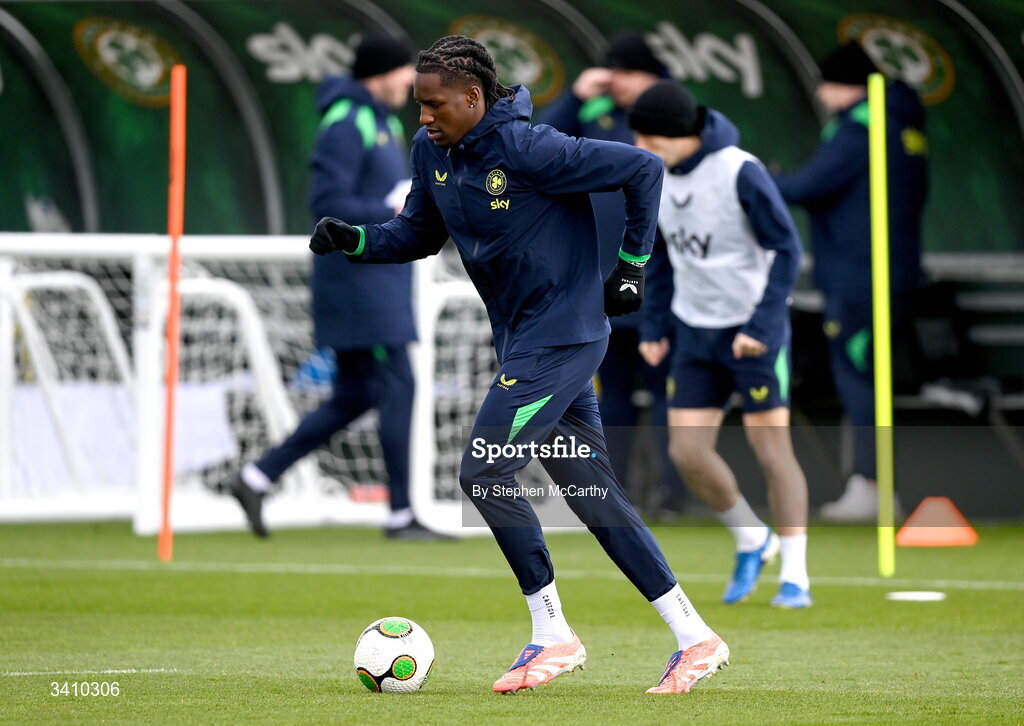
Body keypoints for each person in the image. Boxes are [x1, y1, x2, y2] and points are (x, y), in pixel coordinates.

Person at [310, 35, 728, 695]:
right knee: (595, 495)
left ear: (473, 98)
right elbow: (418, 233)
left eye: (435, 104)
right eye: (418, 104)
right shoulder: (434, 153)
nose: (422, 117)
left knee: (483, 469)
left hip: (561, 340)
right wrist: (355, 240)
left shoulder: (531, 148)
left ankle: (554, 635)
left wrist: (633, 265)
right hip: (526, 343)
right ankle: (694, 637)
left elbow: (643, 169)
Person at [229, 33, 443, 540]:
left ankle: (256, 478)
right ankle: (400, 514)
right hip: (359, 287)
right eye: (403, 73)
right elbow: (326, 204)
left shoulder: (381, 122)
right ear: (380, 74)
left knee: (353, 397)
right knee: (398, 385)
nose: (409, 85)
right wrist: (391, 207)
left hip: (377, 282)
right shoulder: (347, 124)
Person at [630, 81, 811, 608]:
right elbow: (659, 256)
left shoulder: (739, 169)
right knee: (687, 452)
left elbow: (787, 249)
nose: (638, 143)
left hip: (754, 334)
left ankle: (796, 575)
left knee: (772, 453)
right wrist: (655, 327)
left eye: (645, 133)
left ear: (674, 133)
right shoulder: (654, 175)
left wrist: (762, 324)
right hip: (693, 331)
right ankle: (753, 537)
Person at [538, 31, 735, 513]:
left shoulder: (678, 116)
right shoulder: (596, 115)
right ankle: (616, 490)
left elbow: (723, 137)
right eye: (615, 74)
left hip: (661, 279)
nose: (619, 84)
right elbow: (534, 149)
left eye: (629, 73)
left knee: (669, 388)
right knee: (613, 396)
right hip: (599, 283)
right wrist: (575, 96)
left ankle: (672, 494)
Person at [773, 42, 927, 521]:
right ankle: (871, 485)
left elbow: (807, 187)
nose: (820, 92)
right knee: (869, 376)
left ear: (849, 85)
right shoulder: (905, 125)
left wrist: (762, 178)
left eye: (826, 82)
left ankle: (871, 487)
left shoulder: (860, 129)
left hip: (861, 278)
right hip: (892, 272)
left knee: (860, 379)